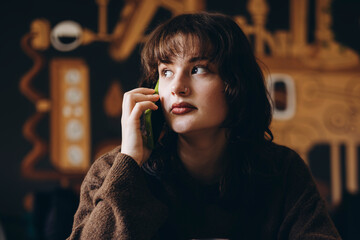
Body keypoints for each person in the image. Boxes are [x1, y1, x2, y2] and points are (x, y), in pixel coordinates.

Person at [68, 12, 341, 240]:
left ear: (234, 84)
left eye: (198, 69)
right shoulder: (112, 170)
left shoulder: (282, 170)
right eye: (166, 71)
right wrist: (130, 163)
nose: (177, 87)